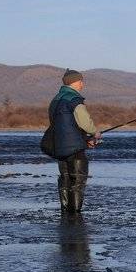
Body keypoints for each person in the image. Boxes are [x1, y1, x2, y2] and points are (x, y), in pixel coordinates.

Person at [49, 69, 101, 214]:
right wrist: (94, 133)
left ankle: (65, 213)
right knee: (78, 181)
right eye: (81, 81)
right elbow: (84, 122)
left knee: (65, 179)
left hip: (59, 148)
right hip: (75, 149)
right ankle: (76, 215)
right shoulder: (74, 100)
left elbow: (65, 126)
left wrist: (84, 139)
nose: (82, 84)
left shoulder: (55, 100)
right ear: (74, 82)